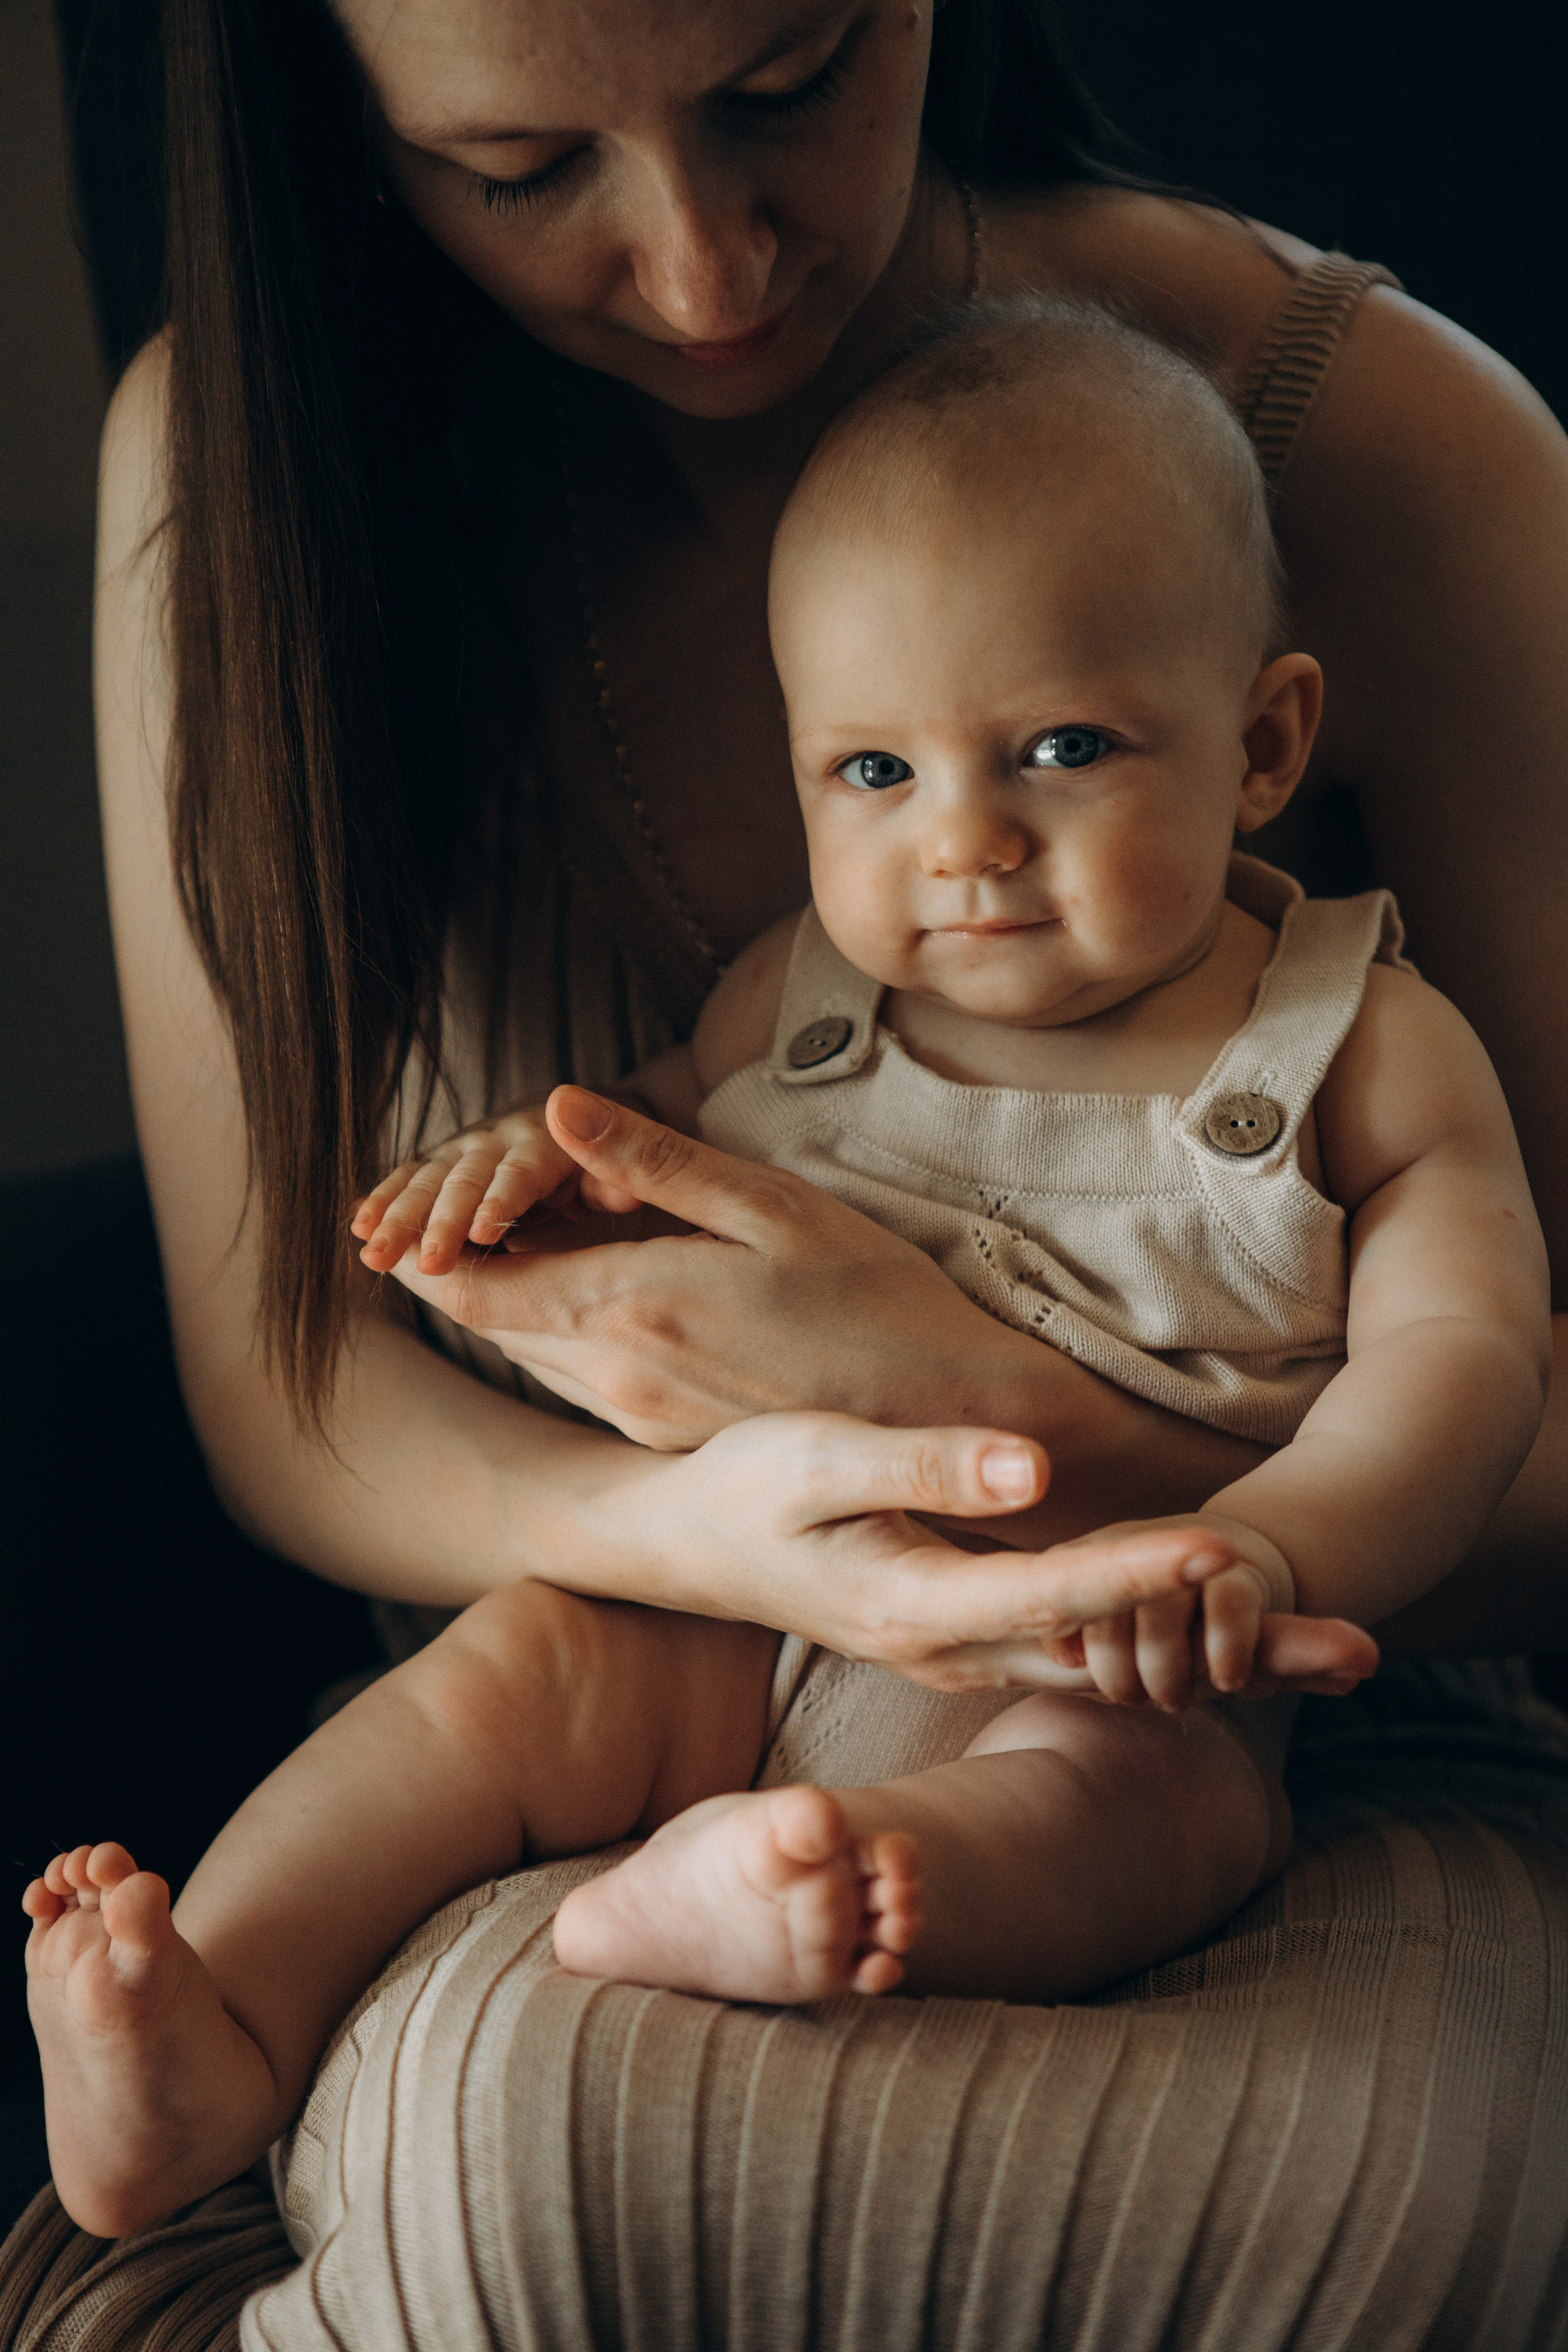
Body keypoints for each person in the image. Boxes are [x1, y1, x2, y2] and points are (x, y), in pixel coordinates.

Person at [7, 0, 1567, 2338]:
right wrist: (547, 1282)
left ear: (1264, 748)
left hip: (1225, 1694)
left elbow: (1492, 1372)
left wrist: (1092, 1495)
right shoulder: (247, 491)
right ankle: (199, 2020)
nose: (708, 269)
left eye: (785, 83)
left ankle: (861, 1874)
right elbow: (390, 1313)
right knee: (510, 2120)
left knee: (1302, 2175)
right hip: (682, 1629)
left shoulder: (1347, 989)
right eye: (524, 164)